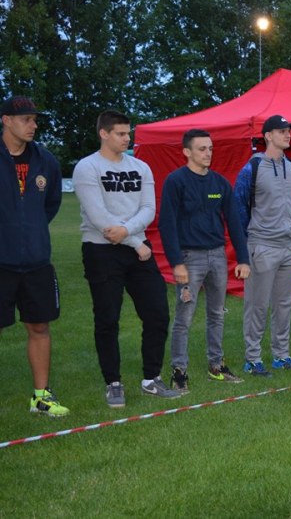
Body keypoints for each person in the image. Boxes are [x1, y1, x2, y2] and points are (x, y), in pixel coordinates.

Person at [74, 110, 179, 408]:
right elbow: (98, 217)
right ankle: (113, 383)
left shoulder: (141, 167)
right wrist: (134, 241)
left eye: (128, 133)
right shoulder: (87, 167)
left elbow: (148, 209)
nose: (126, 138)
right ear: (103, 133)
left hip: (137, 249)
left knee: (157, 313)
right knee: (108, 318)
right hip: (101, 250)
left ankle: (151, 379)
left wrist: (130, 237)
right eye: (120, 133)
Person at [158, 129, 250, 394]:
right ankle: (179, 371)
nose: (208, 153)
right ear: (187, 152)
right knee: (184, 317)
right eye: (202, 149)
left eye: (210, 148)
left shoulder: (220, 183)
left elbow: (234, 222)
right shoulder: (176, 181)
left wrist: (243, 258)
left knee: (217, 314)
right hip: (189, 258)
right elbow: (166, 224)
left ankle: (216, 366)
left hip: (218, 256)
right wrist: (176, 263)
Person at [0, 96, 69, 417]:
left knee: (39, 326)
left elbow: (50, 204)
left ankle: (41, 397)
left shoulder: (46, 160)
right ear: (6, 120)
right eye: (26, 119)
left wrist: (31, 230)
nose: (33, 125)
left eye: (35, 119)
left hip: (37, 262)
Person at [234, 114, 291, 374]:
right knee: (257, 304)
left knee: (284, 305)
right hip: (261, 245)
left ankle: (281, 355)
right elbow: (238, 208)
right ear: (268, 136)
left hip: (289, 245)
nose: (288, 135)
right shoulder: (252, 168)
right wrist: (247, 245)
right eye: (282, 131)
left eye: (289, 130)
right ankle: (253, 358)